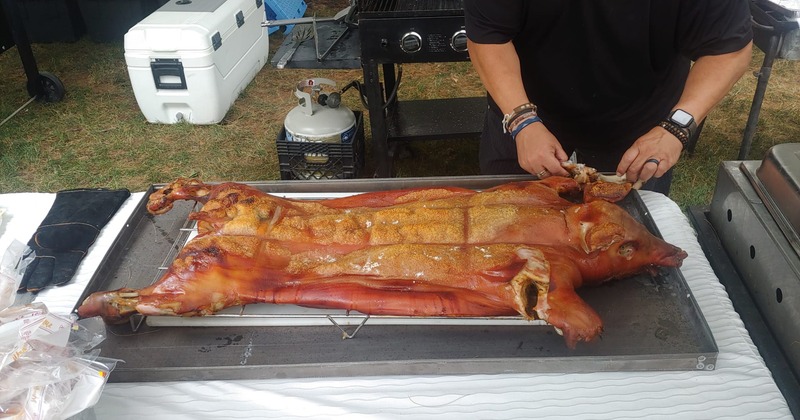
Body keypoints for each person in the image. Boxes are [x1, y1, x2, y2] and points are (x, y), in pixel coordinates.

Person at [464, 0, 753, 194]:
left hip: (643, 123)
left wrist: (676, 128)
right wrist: (521, 120)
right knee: (509, 228)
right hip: (524, 106)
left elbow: (729, 49)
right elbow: (489, 36)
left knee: (626, 240)